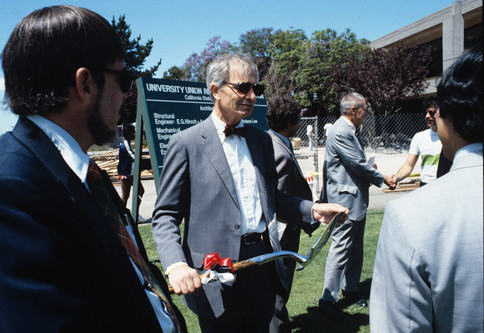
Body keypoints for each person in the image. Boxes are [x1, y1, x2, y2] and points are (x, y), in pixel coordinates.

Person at [0, 6, 185, 332]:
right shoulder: (7, 192)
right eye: (123, 79)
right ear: (86, 84)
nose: (125, 93)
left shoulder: (83, 172)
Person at [151, 53, 348, 333]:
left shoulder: (261, 140)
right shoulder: (186, 143)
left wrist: (312, 209)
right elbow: (165, 215)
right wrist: (175, 265)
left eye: (257, 88)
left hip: (262, 264)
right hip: (212, 273)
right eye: (243, 87)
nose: (253, 95)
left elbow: (273, 200)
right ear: (215, 90)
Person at [370, 44, 483, 333]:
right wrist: (392, 177)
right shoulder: (420, 138)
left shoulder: (410, 218)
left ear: (448, 116)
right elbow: (409, 166)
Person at [319, 92, 396, 321]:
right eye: (364, 110)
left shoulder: (349, 130)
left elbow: (356, 163)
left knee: (355, 250)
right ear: (353, 110)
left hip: (355, 201)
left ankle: (350, 290)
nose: (366, 114)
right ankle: (328, 299)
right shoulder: (341, 131)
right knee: (341, 249)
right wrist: (383, 178)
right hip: (345, 203)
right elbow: (356, 163)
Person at [266, 97, 313, 333]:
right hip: (284, 232)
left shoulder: (275, 140)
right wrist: (307, 216)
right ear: (291, 121)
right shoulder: (280, 152)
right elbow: (280, 200)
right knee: (280, 290)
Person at [394, 97, 442, 187]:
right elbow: (408, 166)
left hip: (446, 185)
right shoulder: (419, 137)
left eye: (432, 113)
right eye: (426, 113)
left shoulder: (453, 137)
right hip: (426, 186)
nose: (427, 116)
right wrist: (395, 179)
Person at [117, 123, 144, 208]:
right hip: (125, 174)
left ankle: (136, 214)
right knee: (125, 196)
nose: (135, 134)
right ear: (129, 134)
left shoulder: (128, 143)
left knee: (140, 191)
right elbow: (133, 157)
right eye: (133, 132)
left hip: (131, 173)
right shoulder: (125, 145)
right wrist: (145, 165)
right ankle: (123, 216)